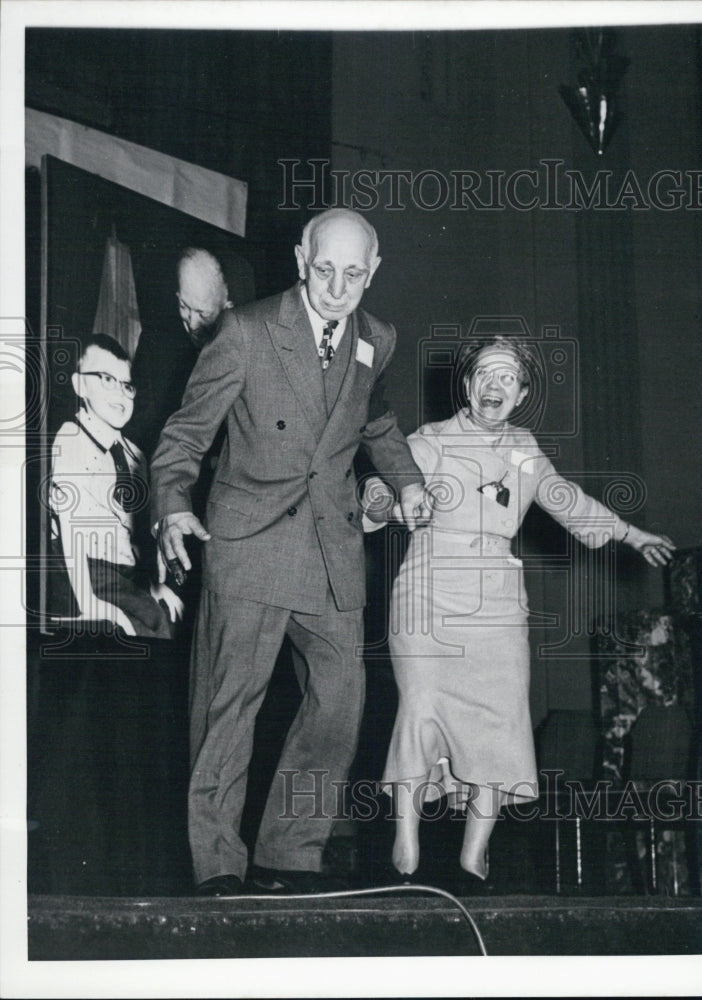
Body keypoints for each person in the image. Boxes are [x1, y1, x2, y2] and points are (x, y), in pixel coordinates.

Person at [150, 208, 431, 896]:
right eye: (325, 268)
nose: (337, 287)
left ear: (374, 271)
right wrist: (173, 508)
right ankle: (217, 860)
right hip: (247, 543)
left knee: (339, 701)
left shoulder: (377, 338)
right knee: (228, 706)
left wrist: (408, 481)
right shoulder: (244, 333)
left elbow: (375, 419)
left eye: (354, 273)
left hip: (329, 548)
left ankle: (289, 852)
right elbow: (184, 437)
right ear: (302, 257)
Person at [362, 335, 675, 890]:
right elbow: (384, 490)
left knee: (501, 717)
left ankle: (474, 853)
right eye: (485, 373)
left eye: (508, 378)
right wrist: (379, 501)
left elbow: (565, 500)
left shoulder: (524, 449)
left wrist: (628, 531)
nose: (494, 385)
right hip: (429, 589)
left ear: (522, 392)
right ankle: (404, 838)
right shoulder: (431, 441)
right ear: (466, 384)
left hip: (498, 599)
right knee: (421, 704)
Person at [48, 334, 183, 638]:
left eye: (127, 385)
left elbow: (138, 537)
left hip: (125, 574)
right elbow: (71, 530)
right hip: (81, 571)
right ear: (80, 386)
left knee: (171, 619)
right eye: (107, 379)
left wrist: (155, 587)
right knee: (152, 629)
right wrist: (89, 602)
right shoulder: (72, 439)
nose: (120, 393)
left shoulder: (135, 455)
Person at [127, 246, 254, 458]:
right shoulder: (154, 345)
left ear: (229, 308)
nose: (192, 324)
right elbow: (137, 432)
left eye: (202, 313)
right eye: (184, 306)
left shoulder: (252, 355)